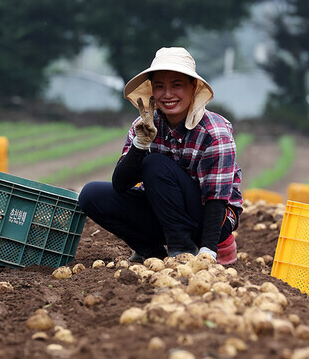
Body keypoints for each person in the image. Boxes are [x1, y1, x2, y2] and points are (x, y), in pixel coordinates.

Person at [78, 47, 242, 264]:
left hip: (210, 221)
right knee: (91, 194)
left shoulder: (214, 132)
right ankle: (152, 252)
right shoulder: (143, 125)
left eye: (176, 85)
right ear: (152, 90)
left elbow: (216, 200)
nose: (167, 95)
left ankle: (183, 249)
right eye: (159, 86)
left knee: (155, 164)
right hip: (163, 213)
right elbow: (120, 184)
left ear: (192, 87)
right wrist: (140, 145)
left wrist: (208, 252)